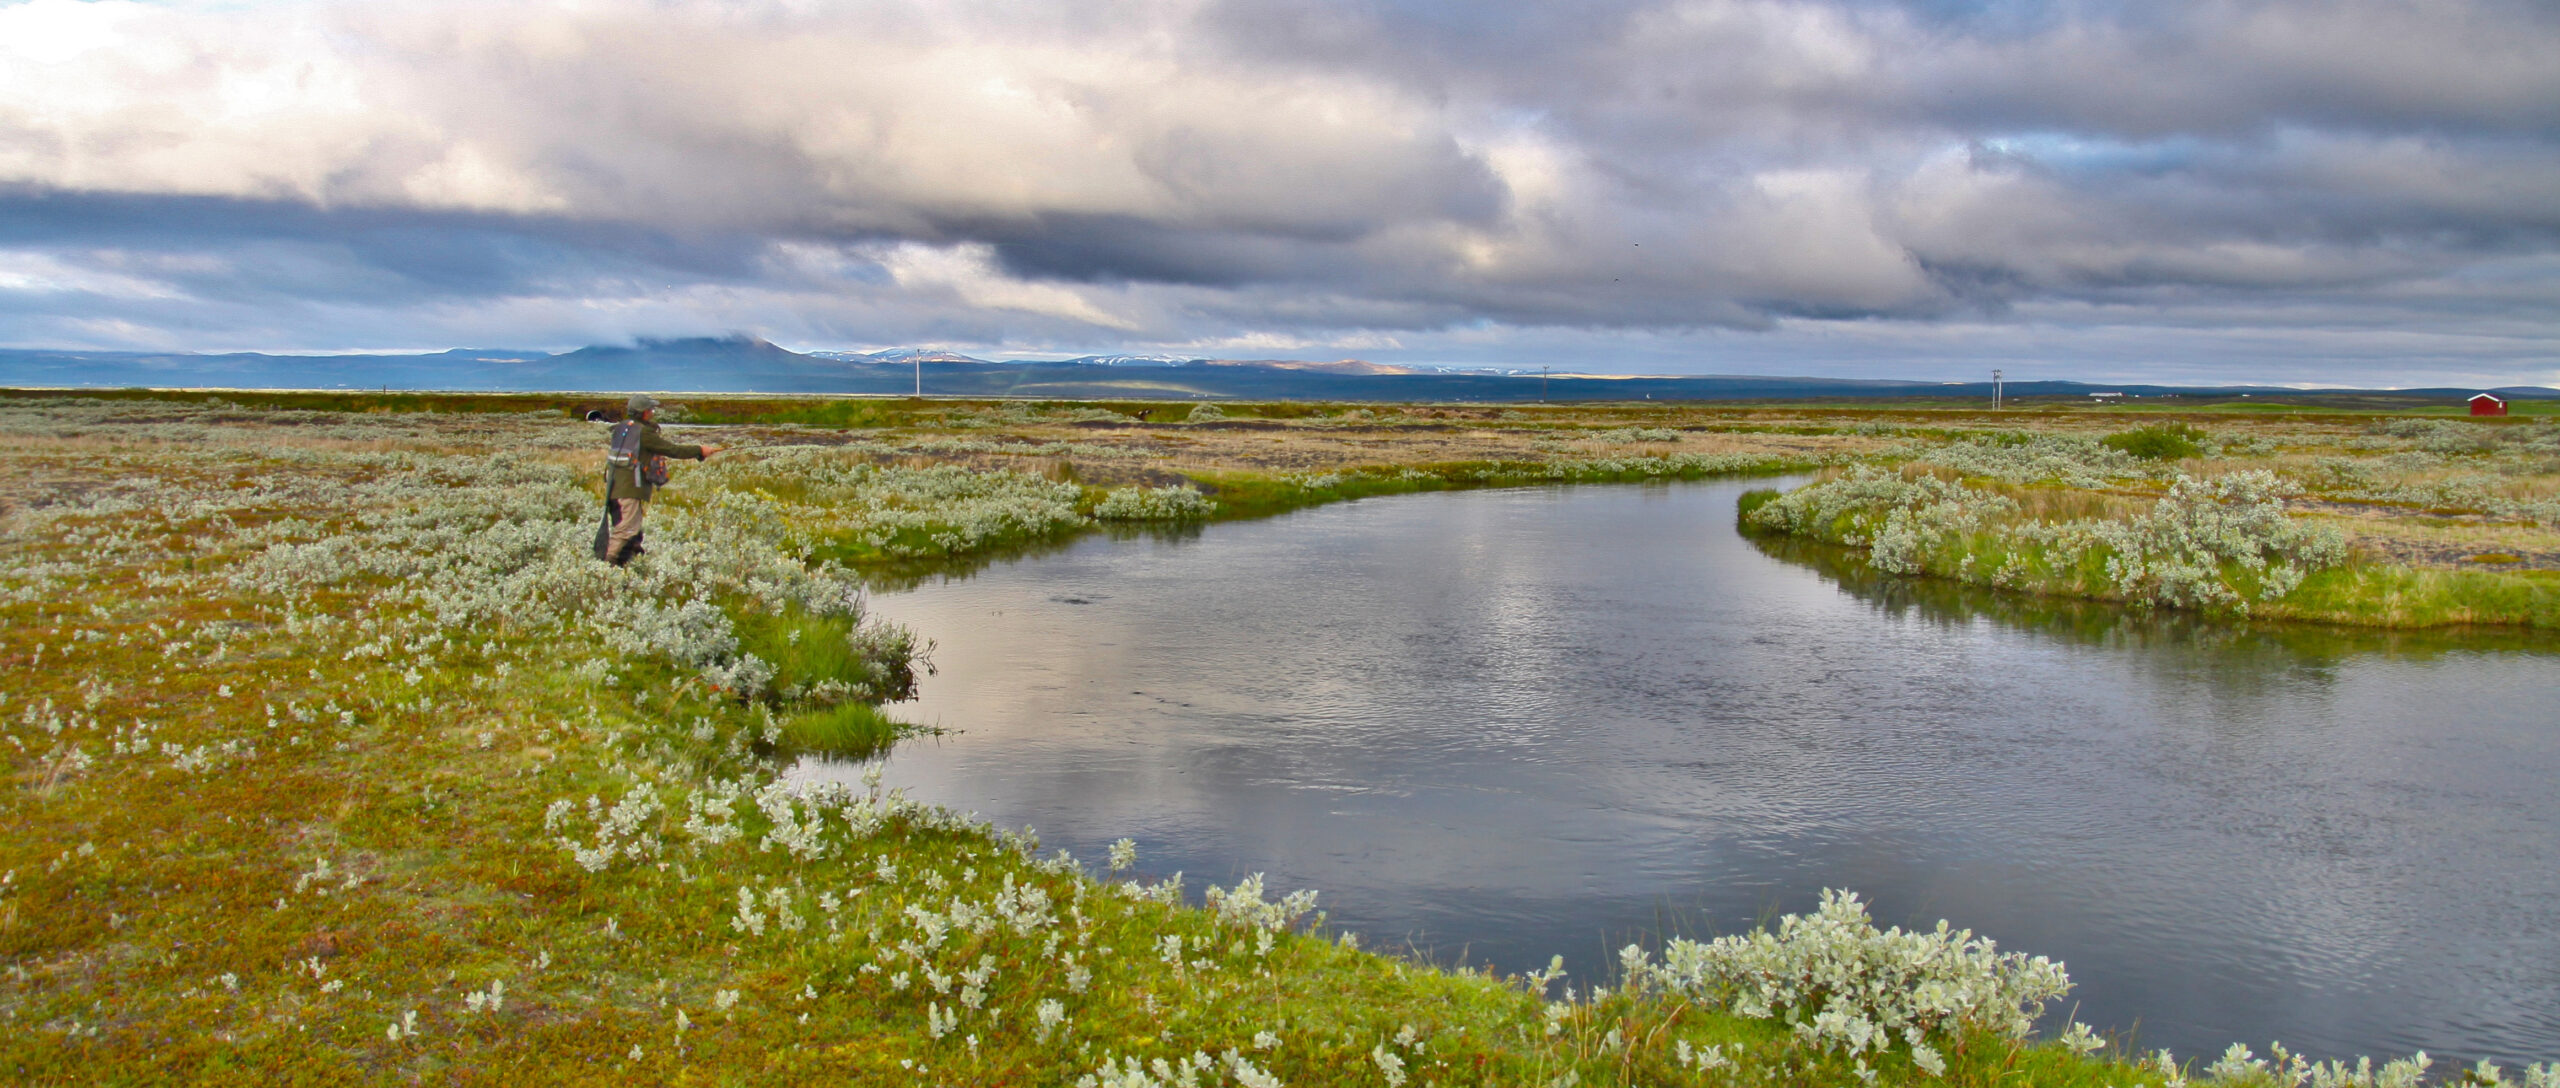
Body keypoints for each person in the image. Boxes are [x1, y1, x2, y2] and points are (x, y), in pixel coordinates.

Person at [603, 394, 723, 566]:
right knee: (626, 530)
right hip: (628, 488)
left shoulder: (622, 427)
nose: (653, 412)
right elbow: (672, 450)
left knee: (629, 529)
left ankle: (628, 566)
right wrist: (700, 450)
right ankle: (606, 569)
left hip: (616, 486)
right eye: (650, 409)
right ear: (643, 412)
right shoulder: (643, 433)